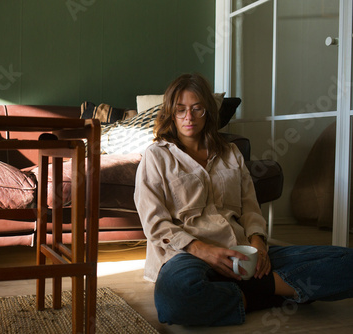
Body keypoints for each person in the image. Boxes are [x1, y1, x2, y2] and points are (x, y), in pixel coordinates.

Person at [134, 73, 353, 326]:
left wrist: (258, 244)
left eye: (197, 109)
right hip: (186, 255)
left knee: (346, 262)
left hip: (242, 251)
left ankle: (238, 292)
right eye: (180, 110)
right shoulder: (156, 156)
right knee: (176, 299)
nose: (189, 117)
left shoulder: (231, 153)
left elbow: (250, 206)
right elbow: (155, 224)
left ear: (208, 111)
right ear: (171, 113)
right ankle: (276, 291)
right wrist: (205, 251)